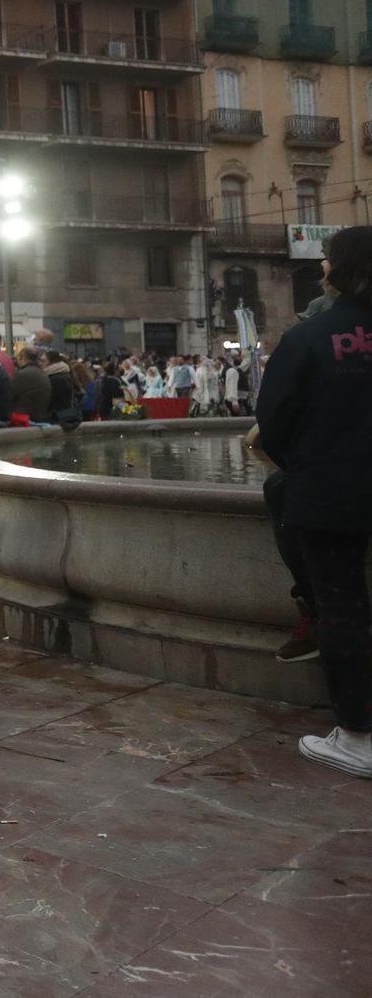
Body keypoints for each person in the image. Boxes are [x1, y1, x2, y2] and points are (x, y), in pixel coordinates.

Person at [256, 225, 372, 777]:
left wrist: (307, 463)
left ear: (341, 269)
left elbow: (272, 423)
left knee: (343, 610)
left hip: (333, 494)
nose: (321, 267)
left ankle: (357, 735)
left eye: (326, 259)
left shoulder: (309, 338)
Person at [7, 346, 50, 422]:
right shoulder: (42, 373)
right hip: (39, 416)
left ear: (22, 357)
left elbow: (8, 395)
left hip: (22, 418)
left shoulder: (21, 374)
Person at [43, 351, 81, 429]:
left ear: (52, 361)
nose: (41, 363)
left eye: (44, 360)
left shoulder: (57, 378)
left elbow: (53, 398)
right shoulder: (60, 374)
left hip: (59, 416)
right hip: (61, 414)